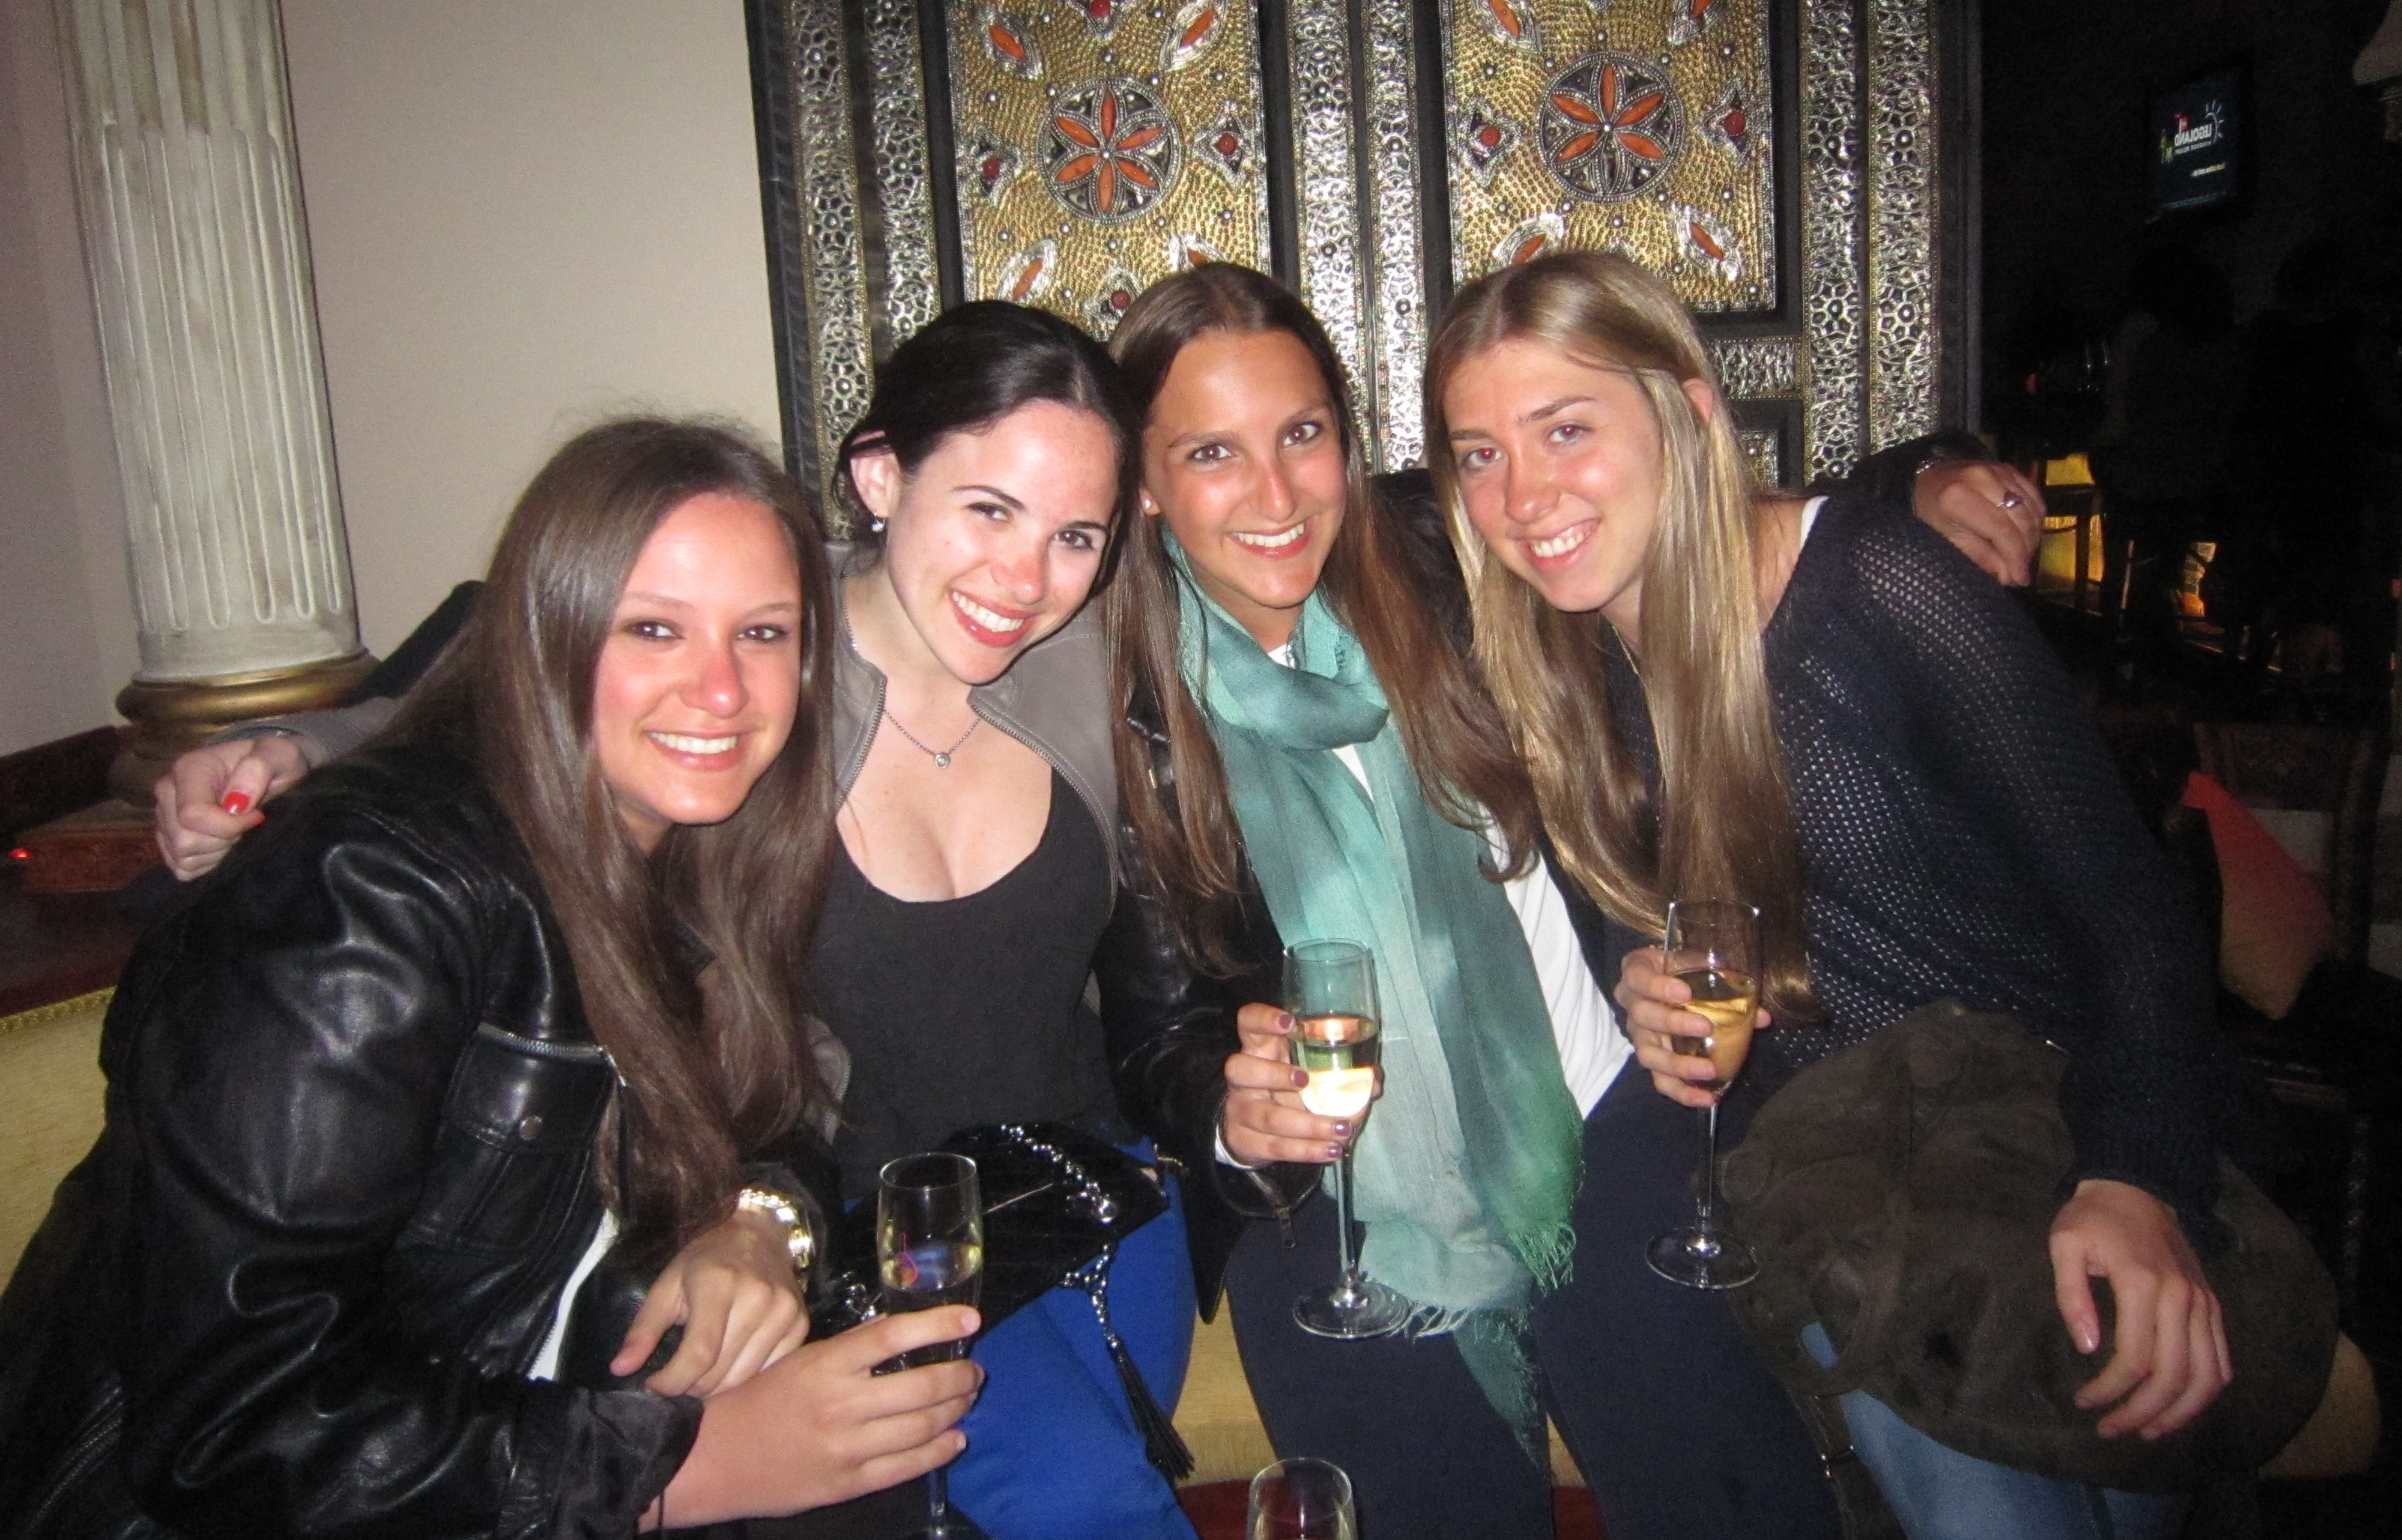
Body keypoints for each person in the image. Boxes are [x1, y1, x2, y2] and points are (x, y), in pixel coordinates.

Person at [146, 307, 1199, 1540]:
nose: (1025, 579)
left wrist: (756, 1216)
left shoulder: (1083, 654)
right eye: (988, 510)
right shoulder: (753, 695)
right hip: (857, 1240)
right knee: (1084, 1503)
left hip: (1074, 1201)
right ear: (878, 479)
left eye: (1074, 535)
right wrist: (293, 747)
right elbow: (515, 652)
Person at [1096, 263, 2045, 1540]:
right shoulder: (1124, 715)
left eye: (1302, 434)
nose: (1275, 495)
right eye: (1211, 452)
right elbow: (1155, 1036)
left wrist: (1908, 483)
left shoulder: (1436, 552)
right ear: (1145, 486)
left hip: (1593, 1109)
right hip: (1336, 1194)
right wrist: (1227, 1109)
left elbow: (1655, 497)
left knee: (1732, 1499)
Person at [0, 418, 982, 1539]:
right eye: (652, 629)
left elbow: (775, 1104)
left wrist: (756, 1225)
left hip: (547, 1442)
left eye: (761, 633)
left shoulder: (696, 854)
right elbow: (233, 1426)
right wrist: (686, 1472)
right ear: (545, 635)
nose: (721, 690)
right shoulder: (359, 898)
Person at [1424, 251, 2230, 1540]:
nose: (1523, 496)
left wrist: (2136, 1181)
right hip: (1830, 1185)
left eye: (1565, 429)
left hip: (2046, 1133)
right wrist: (1643, 982)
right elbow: (1301, 524)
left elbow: (2128, 911)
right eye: (1479, 454)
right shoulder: (1555, 671)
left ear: (1687, 412)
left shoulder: (1875, 587)